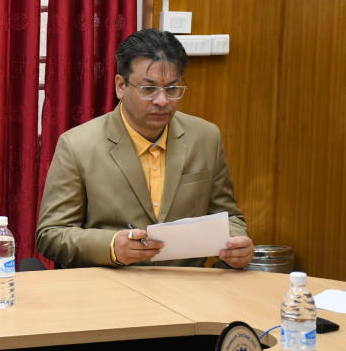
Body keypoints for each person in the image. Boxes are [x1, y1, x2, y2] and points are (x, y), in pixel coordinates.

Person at [36, 29, 255, 269]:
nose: (162, 101)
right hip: (110, 283)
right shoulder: (77, 145)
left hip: (185, 283)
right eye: (148, 89)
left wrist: (236, 244)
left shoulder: (206, 138)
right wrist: (111, 247)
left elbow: (229, 218)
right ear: (121, 86)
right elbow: (51, 234)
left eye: (172, 89)